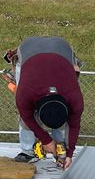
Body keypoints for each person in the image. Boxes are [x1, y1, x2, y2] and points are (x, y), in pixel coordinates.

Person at [6, 37, 84, 169]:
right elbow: (27, 117)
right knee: (25, 122)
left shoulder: (74, 97)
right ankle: (28, 151)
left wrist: (69, 154)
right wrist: (46, 140)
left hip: (61, 49)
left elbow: (74, 125)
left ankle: (59, 152)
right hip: (29, 49)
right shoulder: (26, 92)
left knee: (60, 123)